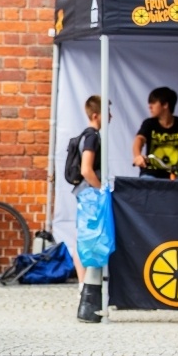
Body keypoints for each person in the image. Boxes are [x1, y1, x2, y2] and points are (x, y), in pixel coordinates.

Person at [70, 95, 105, 287]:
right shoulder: (92, 137)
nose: (110, 116)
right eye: (106, 112)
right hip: (90, 193)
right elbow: (86, 169)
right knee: (86, 238)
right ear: (95, 115)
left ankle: (84, 283)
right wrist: (101, 189)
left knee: (82, 236)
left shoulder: (86, 134)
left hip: (84, 192)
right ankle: (85, 284)